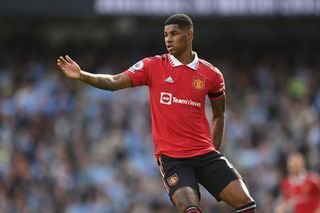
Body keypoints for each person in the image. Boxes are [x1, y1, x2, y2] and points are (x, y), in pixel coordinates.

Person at [57, 14, 256, 213]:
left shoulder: (211, 74)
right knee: (190, 208)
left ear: (189, 34)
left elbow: (219, 115)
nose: (168, 39)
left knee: (247, 205)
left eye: (174, 34)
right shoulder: (153, 66)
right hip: (173, 158)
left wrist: (213, 151)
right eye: (165, 34)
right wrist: (82, 75)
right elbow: (114, 82)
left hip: (205, 153)